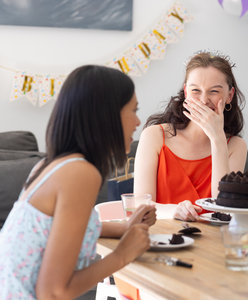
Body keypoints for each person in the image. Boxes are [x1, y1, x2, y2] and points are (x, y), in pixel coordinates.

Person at [0, 65, 157, 299]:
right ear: (106, 115)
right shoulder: (79, 174)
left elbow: (59, 230)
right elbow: (53, 292)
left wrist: (124, 228)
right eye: (133, 110)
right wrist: (123, 255)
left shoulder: (53, 166)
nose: (138, 121)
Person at [134, 50, 247, 221]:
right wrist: (174, 211)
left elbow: (225, 209)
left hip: (214, 242)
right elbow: (141, 204)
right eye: (196, 91)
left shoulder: (236, 146)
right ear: (186, 92)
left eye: (214, 91)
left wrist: (218, 140)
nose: (203, 100)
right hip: (162, 238)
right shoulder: (154, 136)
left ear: (229, 95)